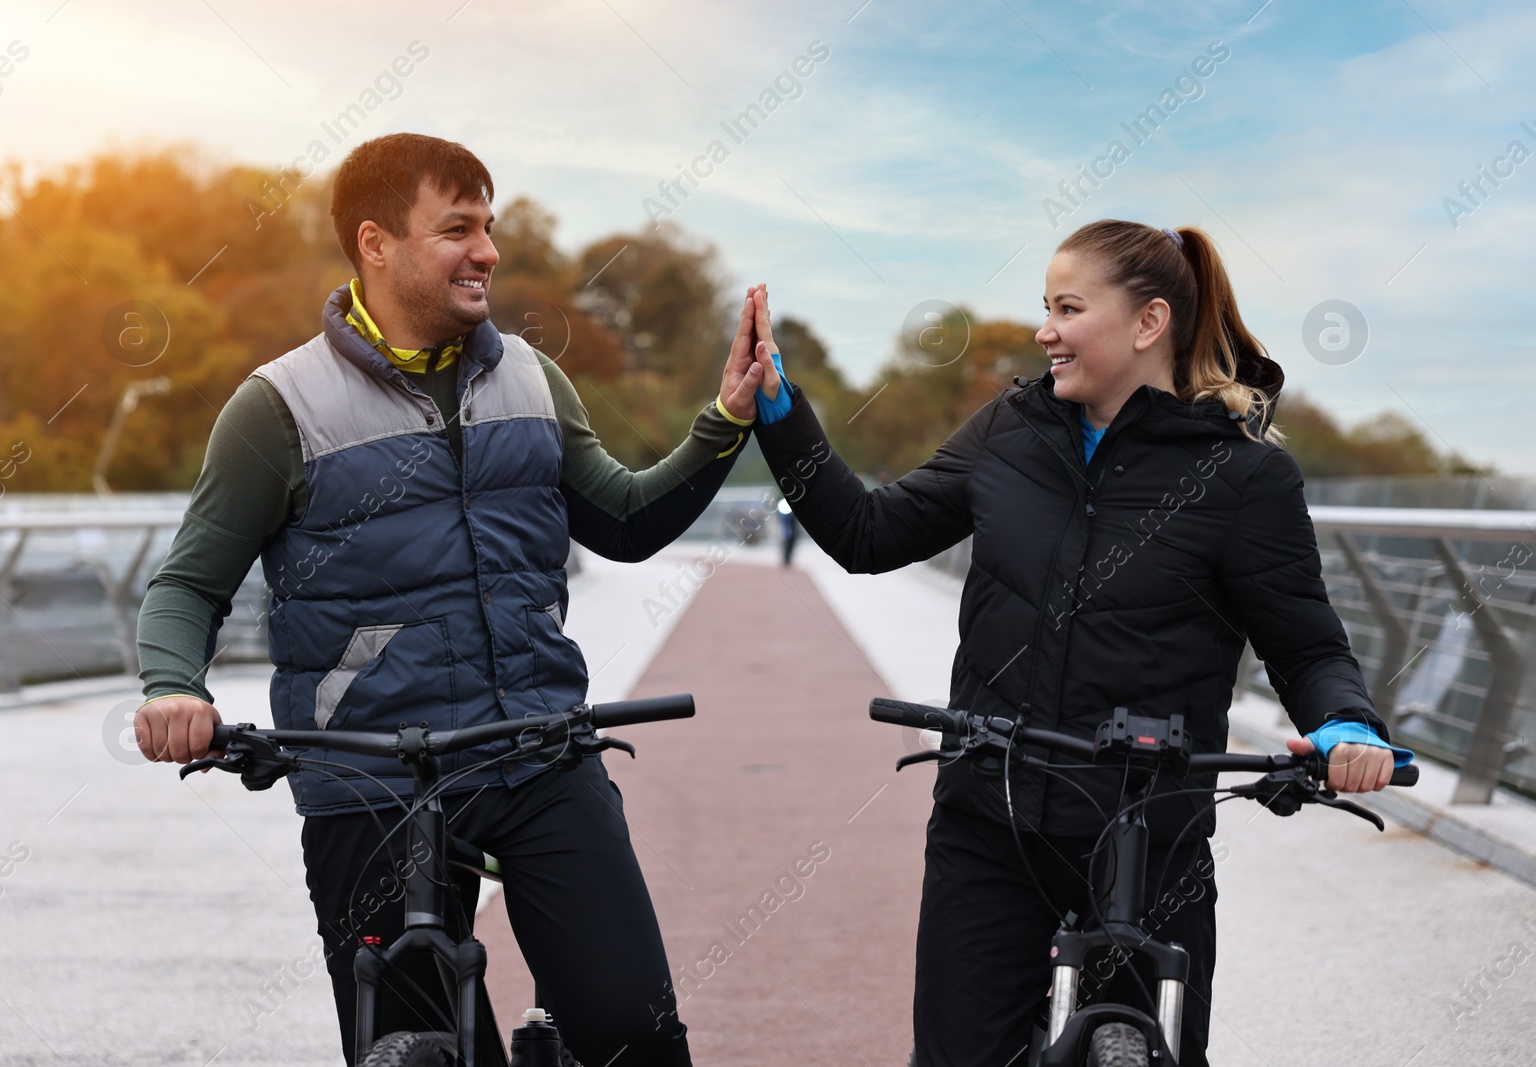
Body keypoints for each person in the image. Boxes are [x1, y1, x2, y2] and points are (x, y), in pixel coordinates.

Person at [132, 133, 772, 1067]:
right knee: (413, 1050)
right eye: (458, 228)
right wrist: (169, 686)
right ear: (376, 244)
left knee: (634, 1033)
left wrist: (725, 424)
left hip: (537, 751)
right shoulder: (277, 407)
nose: (488, 252)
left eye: (491, 227)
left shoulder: (530, 378)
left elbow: (625, 522)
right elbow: (189, 583)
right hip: (371, 777)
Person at [742, 221, 1413, 1066]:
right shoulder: (1007, 433)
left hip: (1150, 839)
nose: (1043, 330)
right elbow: (868, 534)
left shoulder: (1244, 478)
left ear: (1147, 323)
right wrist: (778, 408)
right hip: (991, 820)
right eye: (1044, 307)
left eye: (1067, 307)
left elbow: (1308, 647)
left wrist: (1347, 726)